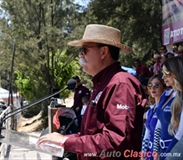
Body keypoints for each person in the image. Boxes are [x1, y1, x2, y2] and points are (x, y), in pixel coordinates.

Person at [37, 24, 147, 160]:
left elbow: (115, 142)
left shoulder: (120, 84)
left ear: (103, 52)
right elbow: (91, 134)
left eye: (84, 50)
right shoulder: (103, 84)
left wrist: (66, 142)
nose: (80, 55)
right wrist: (62, 139)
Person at [153, 57, 183, 160]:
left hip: (175, 152)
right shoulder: (166, 94)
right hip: (162, 151)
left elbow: (180, 133)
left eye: (166, 73)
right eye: (162, 73)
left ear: (176, 72)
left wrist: (167, 155)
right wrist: (155, 151)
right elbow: (159, 125)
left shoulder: (181, 97)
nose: (163, 77)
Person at [141, 75, 166, 160]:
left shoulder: (165, 108)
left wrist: (156, 152)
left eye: (156, 85)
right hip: (149, 152)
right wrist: (143, 152)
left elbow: (158, 132)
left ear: (164, 87)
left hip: (160, 153)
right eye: (150, 86)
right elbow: (147, 134)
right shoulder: (150, 111)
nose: (153, 88)